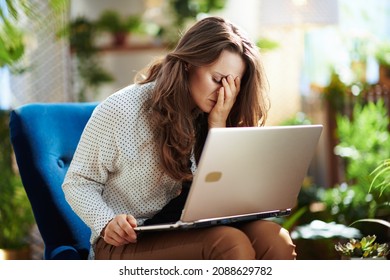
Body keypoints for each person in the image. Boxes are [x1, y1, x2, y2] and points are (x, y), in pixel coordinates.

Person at [62, 16, 297, 260]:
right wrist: (107, 222)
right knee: (229, 243)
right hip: (125, 241)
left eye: (232, 85)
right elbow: (78, 182)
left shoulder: (212, 113)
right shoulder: (123, 109)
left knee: (274, 239)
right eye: (217, 80)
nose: (224, 93)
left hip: (186, 227)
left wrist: (217, 125)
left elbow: (220, 197)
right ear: (188, 64)